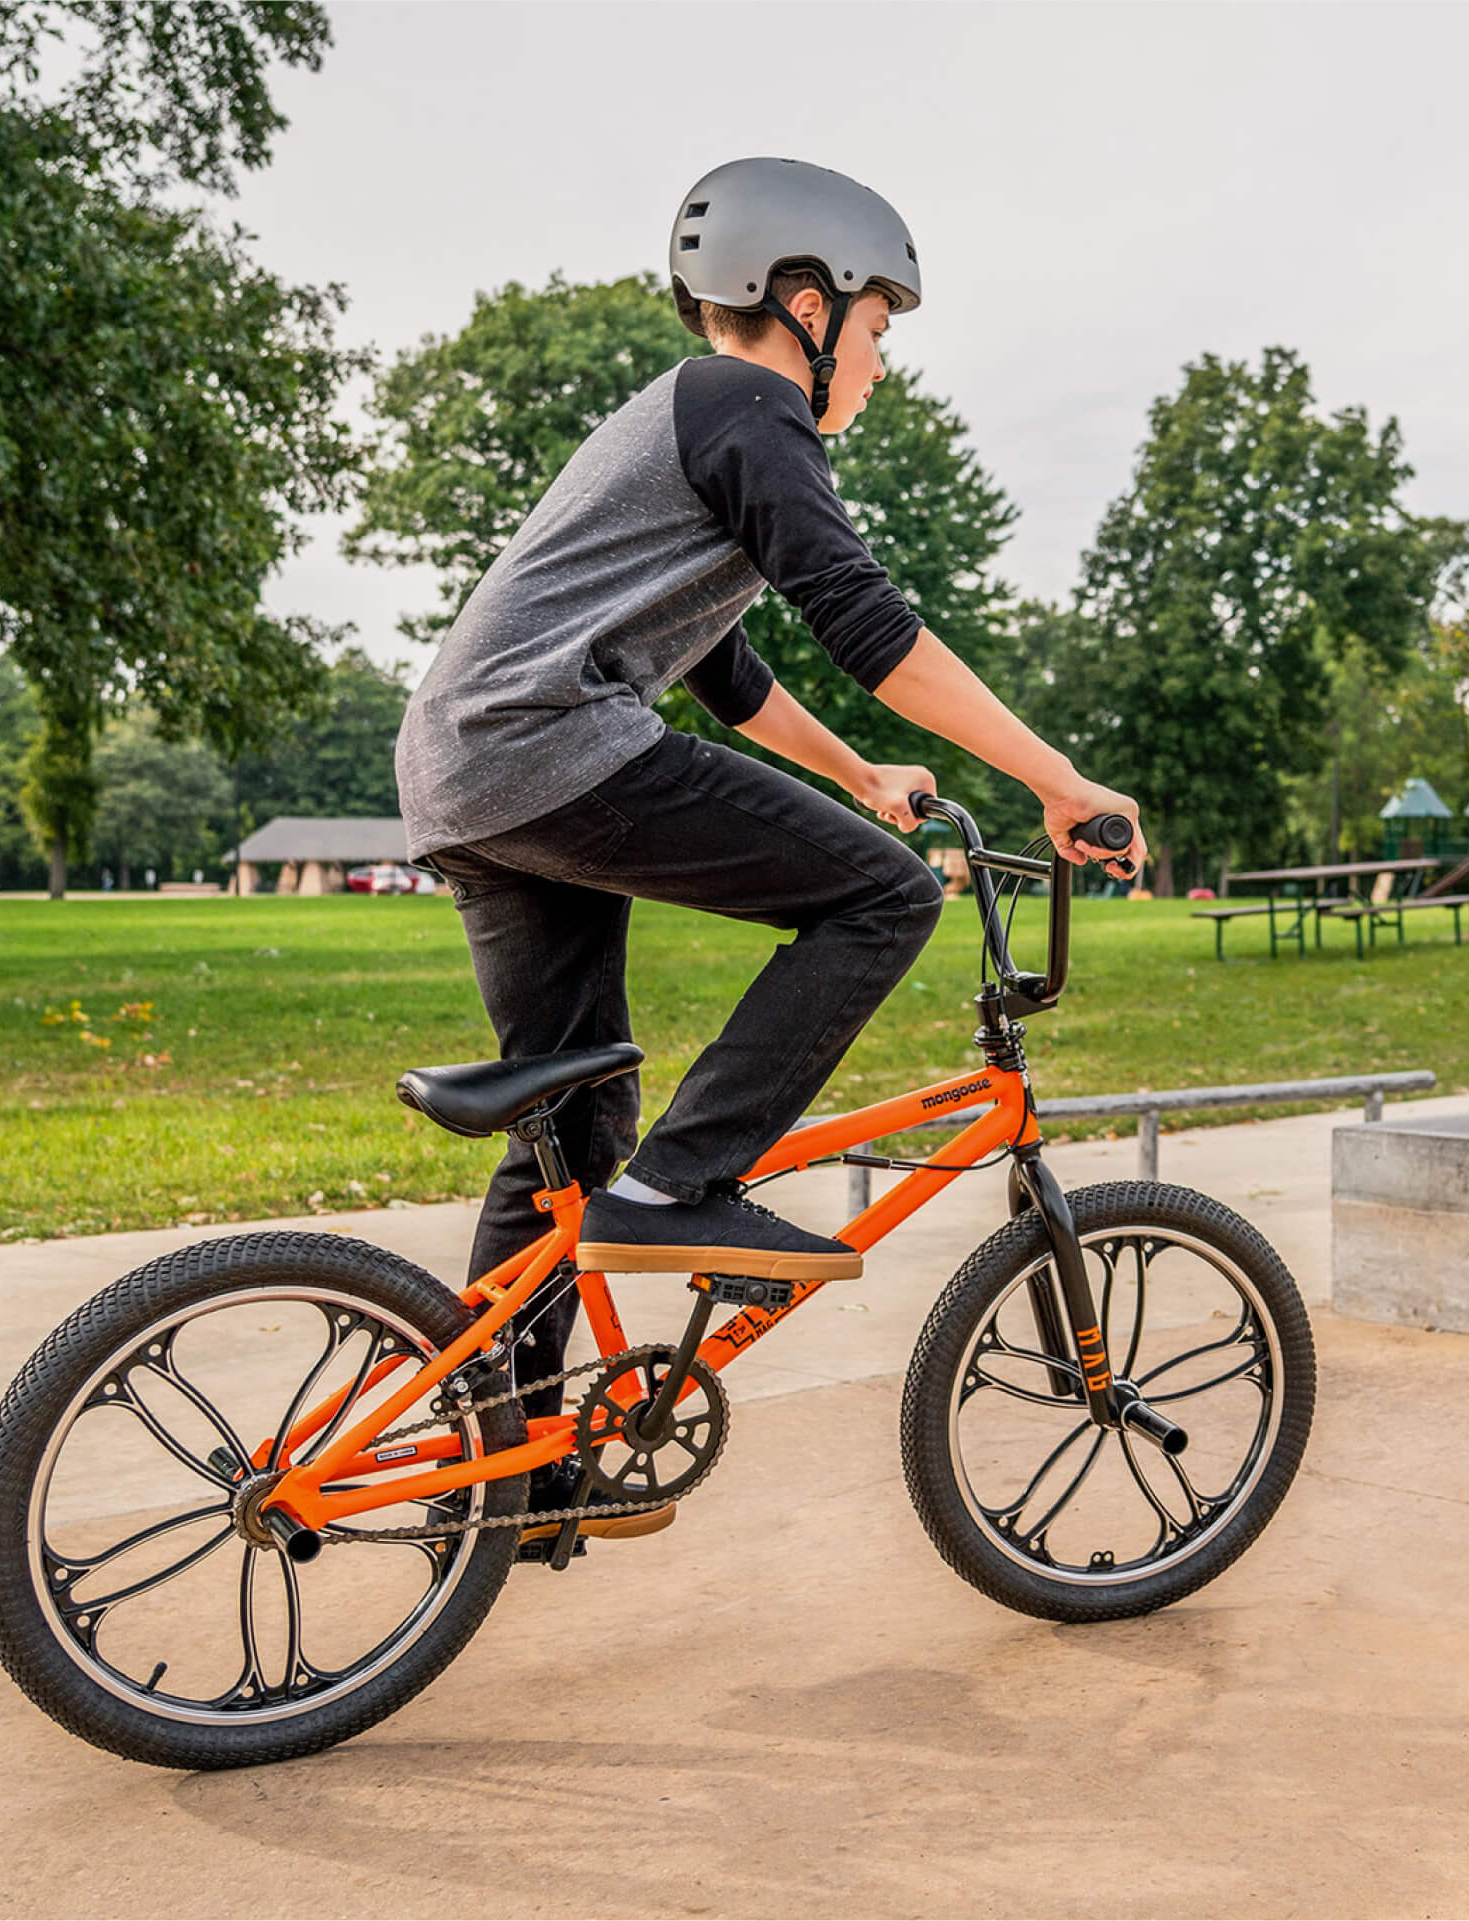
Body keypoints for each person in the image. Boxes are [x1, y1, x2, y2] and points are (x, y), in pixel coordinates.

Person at [393, 157, 1144, 1544]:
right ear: (809, 305)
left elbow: (721, 667)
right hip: (545, 745)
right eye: (880, 325)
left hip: (470, 774)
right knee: (882, 896)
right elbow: (867, 623)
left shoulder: (682, 422)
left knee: (573, 1119)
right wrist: (1059, 781)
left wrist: (858, 773)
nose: (883, 361)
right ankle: (686, 1186)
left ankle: (504, 1466)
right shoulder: (751, 404)